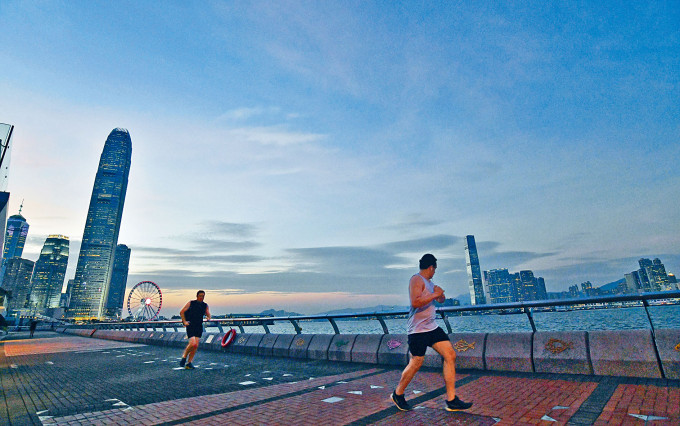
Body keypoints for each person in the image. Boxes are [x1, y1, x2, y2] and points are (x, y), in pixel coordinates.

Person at [391, 254, 473, 412]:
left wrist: (440, 295)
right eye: (434, 269)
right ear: (431, 267)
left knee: (450, 355)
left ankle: (451, 400)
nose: (435, 272)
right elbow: (415, 301)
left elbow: (439, 300)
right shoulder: (416, 279)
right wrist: (435, 294)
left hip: (432, 328)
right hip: (418, 330)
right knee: (416, 362)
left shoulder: (430, 283)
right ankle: (398, 393)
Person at [179, 290, 211, 369]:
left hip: (199, 326)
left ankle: (189, 363)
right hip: (190, 325)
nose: (201, 297)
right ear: (197, 296)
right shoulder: (191, 303)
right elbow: (182, 312)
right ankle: (184, 356)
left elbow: (208, 313)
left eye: (203, 296)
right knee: (192, 343)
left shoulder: (205, 305)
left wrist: (208, 317)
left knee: (196, 345)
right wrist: (184, 321)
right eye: (200, 296)